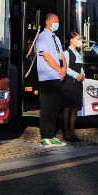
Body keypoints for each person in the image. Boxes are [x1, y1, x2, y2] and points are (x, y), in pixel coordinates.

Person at [35, 13, 67, 147]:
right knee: (46, 109)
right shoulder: (42, 37)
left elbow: (61, 55)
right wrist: (59, 70)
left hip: (58, 78)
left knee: (55, 109)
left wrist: (64, 69)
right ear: (48, 22)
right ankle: (44, 136)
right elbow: (47, 57)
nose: (57, 23)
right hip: (47, 78)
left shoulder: (56, 38)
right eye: (55, 21)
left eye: (58, 21)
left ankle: (51, 135)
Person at [61, 30, 86, 143]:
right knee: (67, 107)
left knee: (75, 108)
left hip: (78, 84)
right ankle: (66, 132)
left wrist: (82, 74)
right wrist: (77, 75)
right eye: (78, 39)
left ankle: (72, 132)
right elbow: (65, 68)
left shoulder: (78, 53)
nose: (80, 41)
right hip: (70, 83)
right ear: (71, 40)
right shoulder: (66, 53)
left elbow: (81, 68)